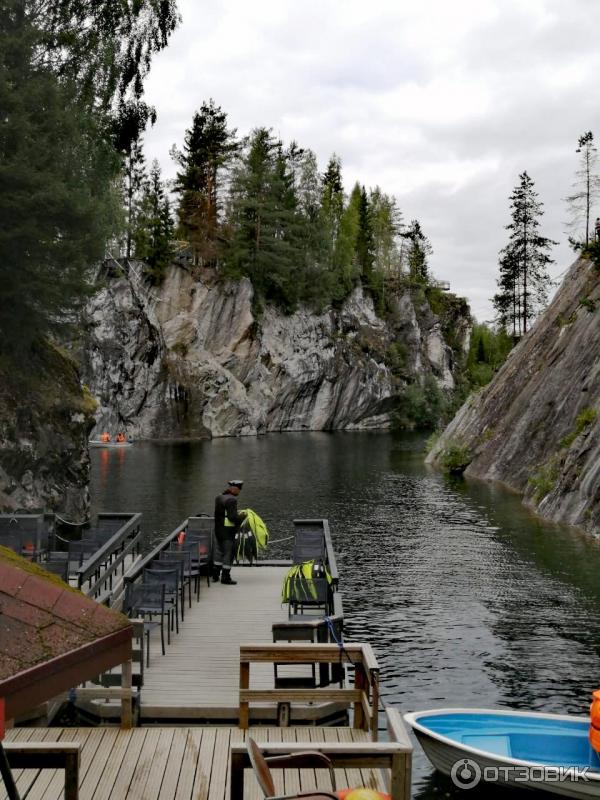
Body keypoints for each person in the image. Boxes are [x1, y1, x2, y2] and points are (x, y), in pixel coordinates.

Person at [213, 480, 246, 585]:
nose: (239, 492)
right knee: (228, 553)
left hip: (218, 530)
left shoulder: (219, 497)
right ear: (234, 489)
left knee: (218, 552)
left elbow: (223, 514)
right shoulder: (231, 500)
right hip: (227, 531)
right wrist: (242, 516)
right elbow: (232, 518)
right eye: (239, 489)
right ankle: (225, 577)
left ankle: (215, 574)